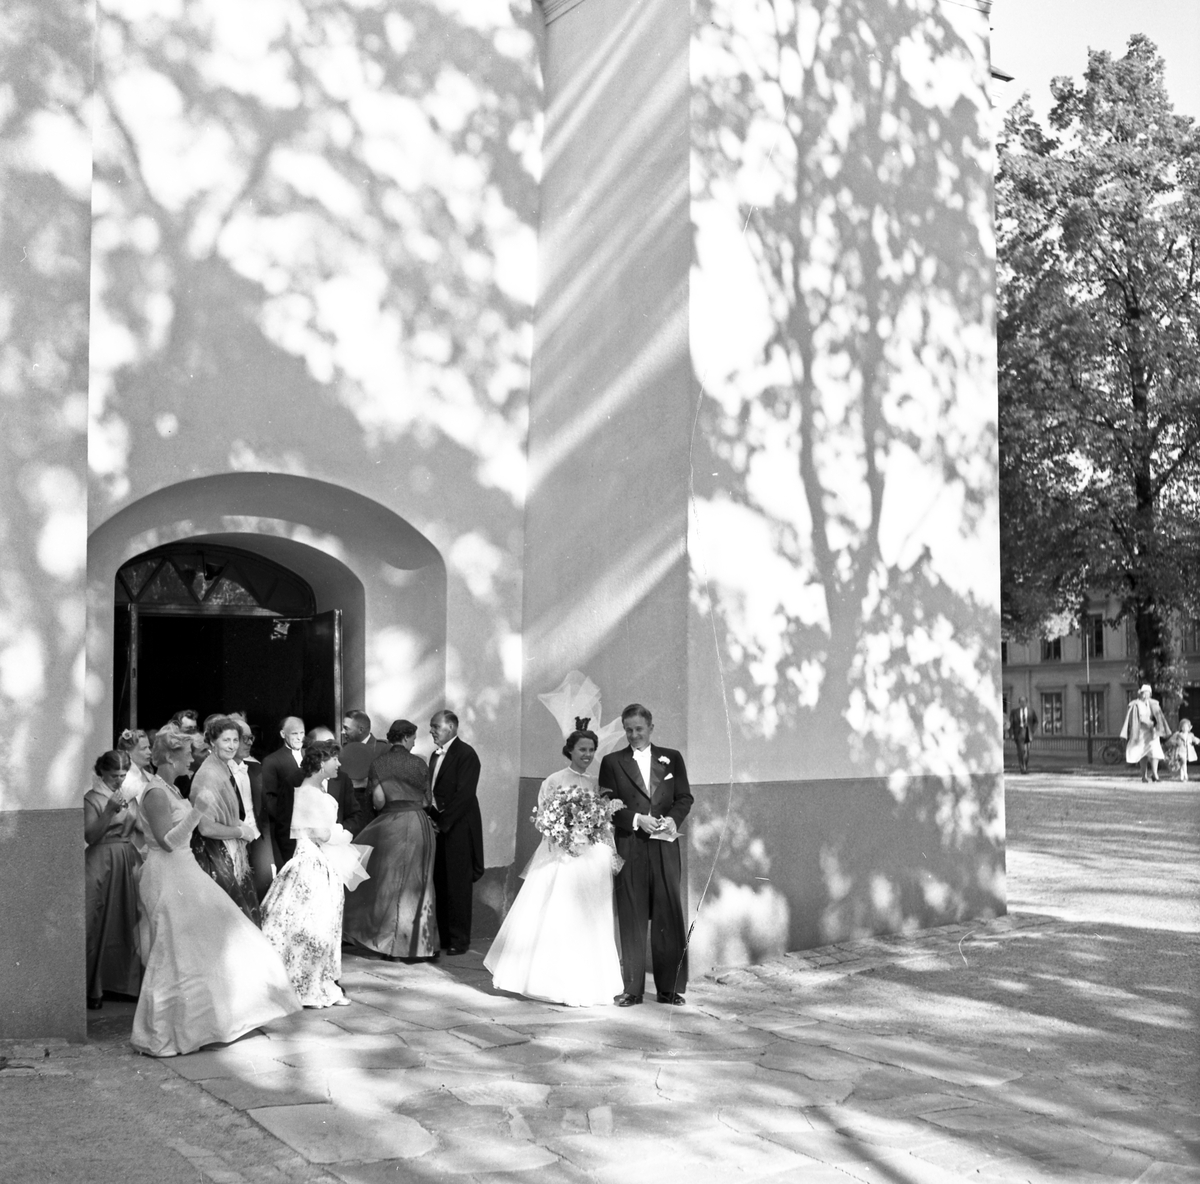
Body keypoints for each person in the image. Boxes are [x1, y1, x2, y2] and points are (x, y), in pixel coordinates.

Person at [132, 726, 301, 1056]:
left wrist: (195, 811)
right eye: (187, 754)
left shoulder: (169, 788)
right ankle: (164, 1033)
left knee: (214, 938)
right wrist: (197, 812)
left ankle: (208, 1022)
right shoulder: (155, 793)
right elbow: (167, 842)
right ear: (170, 757)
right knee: (174, 950)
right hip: (168, 874)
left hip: (184, 871)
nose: (192, 759)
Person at [484, 724, 623, 1005]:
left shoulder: (597, 783)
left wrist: (594, 835)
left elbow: (605, 821)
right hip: (561, 855)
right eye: (582, 749)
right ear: (570, 750)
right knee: (557, 914)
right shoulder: (554, 780)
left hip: (590, 858)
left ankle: (587, 983)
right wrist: (565, 834)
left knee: (587, 918)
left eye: (591, 750)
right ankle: (551, 981)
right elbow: (543, 820)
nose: (587, 754)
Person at [261, 740, 371, 1007]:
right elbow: (321, 834)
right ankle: (308, 987)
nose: (339, 764)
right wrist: (343, 834)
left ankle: (318, 983)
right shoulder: (310, 793)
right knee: (313, 926)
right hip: (313, 862)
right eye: (335, 759)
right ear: (322, 763)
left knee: (318, 925)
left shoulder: (313, 789)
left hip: (317, 859)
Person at [598, 703, 693, 1007]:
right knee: (632, 914)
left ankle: (669, 989)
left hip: (665, 846)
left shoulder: (672, 758)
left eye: (639, 729)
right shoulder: (613, 762)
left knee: (667, 914)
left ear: (651, 728)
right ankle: (632, 989)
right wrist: (637, 820)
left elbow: (684, 797)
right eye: (628, 730)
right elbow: (606, 804)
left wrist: (673, 819)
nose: (634, 735)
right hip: (631, 845)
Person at [343, 720, 438, 960]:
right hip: (418, 825)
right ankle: (418, 946)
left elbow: (378, 801)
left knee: (388, 884)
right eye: (413, 738)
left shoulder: (379, 763)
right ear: (405, 738)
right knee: (419, 883)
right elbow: (427, 801)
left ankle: (389, 946)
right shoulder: (419, 763)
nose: (414, 743)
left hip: (390, 825)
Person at [83, 750, 143, 1010]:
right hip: (101, 859)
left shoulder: (129, 796)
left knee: (127, 920)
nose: (119, 780)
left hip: (127, 858)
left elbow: (141, 826)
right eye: (113, 776)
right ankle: (93, 988)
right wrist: (108, 810)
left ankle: (123, 985)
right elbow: (90, 836)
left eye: (122, 775)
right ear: (102, 773)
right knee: (97, 922)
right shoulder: (92, 798)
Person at [189, 715, 262, 924]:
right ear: (213, 742)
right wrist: (240, 831)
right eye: (226, 740)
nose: (232, 746)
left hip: (227, 847)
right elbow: (206, 827)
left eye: (235, 740)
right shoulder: (209, 773)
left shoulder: (222, 765)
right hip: (213, 852)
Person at [427, 710, 484, 955]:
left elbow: (465, 795)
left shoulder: (466, 754)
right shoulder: (434, 755)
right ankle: (443, 936)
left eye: (435, 726)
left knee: (457, 883)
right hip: (439, 824)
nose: (431, 731)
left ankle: (459, 940)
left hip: (458, 827)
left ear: (450, 727)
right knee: (440, 879)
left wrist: (443, 823)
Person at [229, 713, 274, 898]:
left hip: (258, 839)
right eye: (244, 738)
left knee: (265, 888)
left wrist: (266, 846)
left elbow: (264, 810)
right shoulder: (219, 772)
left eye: (251, 738)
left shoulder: (256, 768)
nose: (249, 743)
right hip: (233, 840)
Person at [261, 716, 306, 865]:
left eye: (302, 733)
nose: (299, 738)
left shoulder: (310, 756)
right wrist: (288, 819)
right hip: (288, 829)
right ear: (282, 734)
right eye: (294, 733)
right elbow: (269, 798)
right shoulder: (272, 761)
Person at [338, 710, 390, 836]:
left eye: (346, 728)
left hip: (374, 816)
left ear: (361, 730)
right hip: (349, 817)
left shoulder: (383, 749)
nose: (342, 732)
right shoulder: (343, 749)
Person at [1120, 684, 1170, 782]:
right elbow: (1135, 719)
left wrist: (1157, 727)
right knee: (1142, 753)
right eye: (1144, 693)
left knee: (1155, 753)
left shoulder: (1154, 704)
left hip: (1153, 732)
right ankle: (1144, 776)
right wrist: (1147, 723)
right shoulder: (1135, 704)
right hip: (1140, 732)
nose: (1146, 695)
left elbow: (1159, 717)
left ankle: (1155, 775)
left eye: (1148, 693)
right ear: (1140, 693)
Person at [116, 728, 153, 803]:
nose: (149, 752)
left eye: (148, 747)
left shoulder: (150, 776)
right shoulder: (125, 781)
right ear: (128, 753)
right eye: (143, 749)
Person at [1009, 696, 1037, 774]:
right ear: (1019, 703)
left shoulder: (1031, 711)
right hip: (1019, 733)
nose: (1022, 703)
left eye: (1024, 702)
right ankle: (1022, 768)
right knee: (1021, 751)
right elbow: (1011, 724)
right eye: (1021, 702)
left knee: (1026, 751)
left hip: (1028, 732)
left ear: (1026, 702)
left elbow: (1036, 721)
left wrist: (1032, 730)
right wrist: (1011, 734)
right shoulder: (1014, 712)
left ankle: (1025, 767)